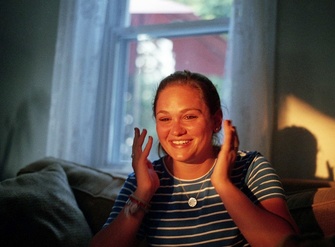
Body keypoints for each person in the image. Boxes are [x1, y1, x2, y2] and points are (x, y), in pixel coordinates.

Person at [90, 70, 298, 247]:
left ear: (216, 121)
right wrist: (143, 193)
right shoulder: (142, 180)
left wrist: (223, 185)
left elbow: (288, 243)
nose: (176, 130)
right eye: (165, 119)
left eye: (189, 116)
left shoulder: (250, 167)